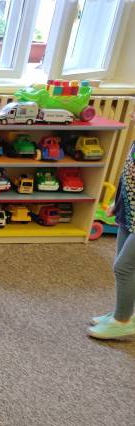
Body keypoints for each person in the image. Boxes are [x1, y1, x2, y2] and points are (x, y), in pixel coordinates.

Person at [88, 144, 135, 339]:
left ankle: (122, 321)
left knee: (123, 268)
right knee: (125, 266)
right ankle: (123, 312)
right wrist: (118, 203)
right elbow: (128, 176)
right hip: (130, 213)